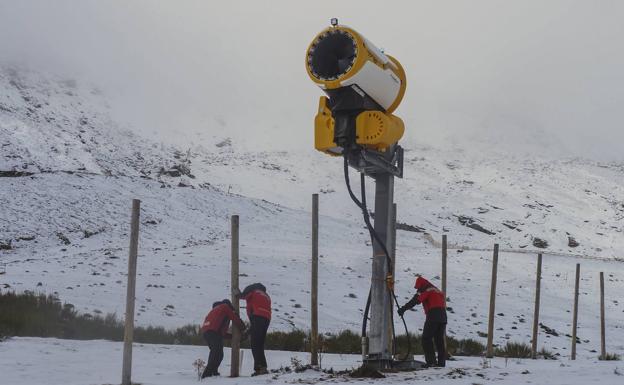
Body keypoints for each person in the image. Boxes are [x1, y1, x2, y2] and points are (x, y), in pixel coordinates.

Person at [398, 276, 447, 368]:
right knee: (439, 340)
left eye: (418, 287)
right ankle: (441, 363)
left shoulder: (427, 290)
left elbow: (415, 301)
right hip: (443, 316)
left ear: (421, 285)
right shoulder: (437, 290)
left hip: (433, 314)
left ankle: (431, 362)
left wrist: (403, 309)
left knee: (426, 338)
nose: (418, 289)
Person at [200, 299, 246, 378]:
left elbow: (222, 333)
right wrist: (242, 327)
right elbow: (234, 318)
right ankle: (206, 375)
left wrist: (234, 337)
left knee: (218, 353)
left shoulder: (216, 310)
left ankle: (213, 372)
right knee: (216, 352)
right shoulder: (225, 307)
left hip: (206, 332)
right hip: (213, 332)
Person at [239, 283, 271, 376]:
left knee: (255, 344)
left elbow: (244, 296)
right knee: (260, 343)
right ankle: (263, 367)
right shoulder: (266, 296)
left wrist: (238, 294)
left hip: (257, 316)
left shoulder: (253, 292)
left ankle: (259, 369)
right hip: (267, 319)